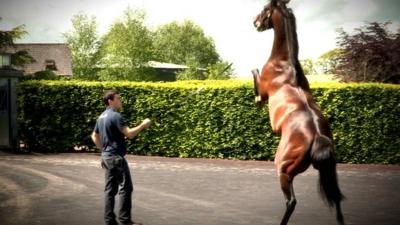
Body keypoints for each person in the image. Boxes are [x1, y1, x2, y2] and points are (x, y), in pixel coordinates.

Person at [91, 90, 151, 225]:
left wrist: (103, 149)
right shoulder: (116, 116)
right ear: (110, 101)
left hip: (106, 157)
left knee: (110, 190)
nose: (120, 101)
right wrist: (143, 125)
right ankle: (125, 220)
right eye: (118, 98)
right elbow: (129, 134)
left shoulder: (101, 117)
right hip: (116, 158)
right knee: (126, 188)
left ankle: (109, 221)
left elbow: (94, 136)